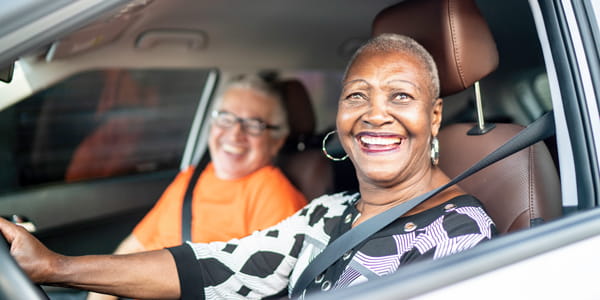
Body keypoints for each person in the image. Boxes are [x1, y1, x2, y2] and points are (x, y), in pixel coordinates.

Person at [0, 34, 496, 300]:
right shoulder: (328, 214)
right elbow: (219, 267)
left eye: (401, 96)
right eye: (357, 97)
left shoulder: (459, 232)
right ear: (340, 115)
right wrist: (56, 266)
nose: (375, 114)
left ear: (433, 117)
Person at [85, 74, 307, 300]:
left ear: (277, 140)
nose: (235, 134)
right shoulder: (192, 177)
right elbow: (132, 249)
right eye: (226, 118)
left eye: (253, 125)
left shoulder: (274, 193)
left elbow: (269, 290)